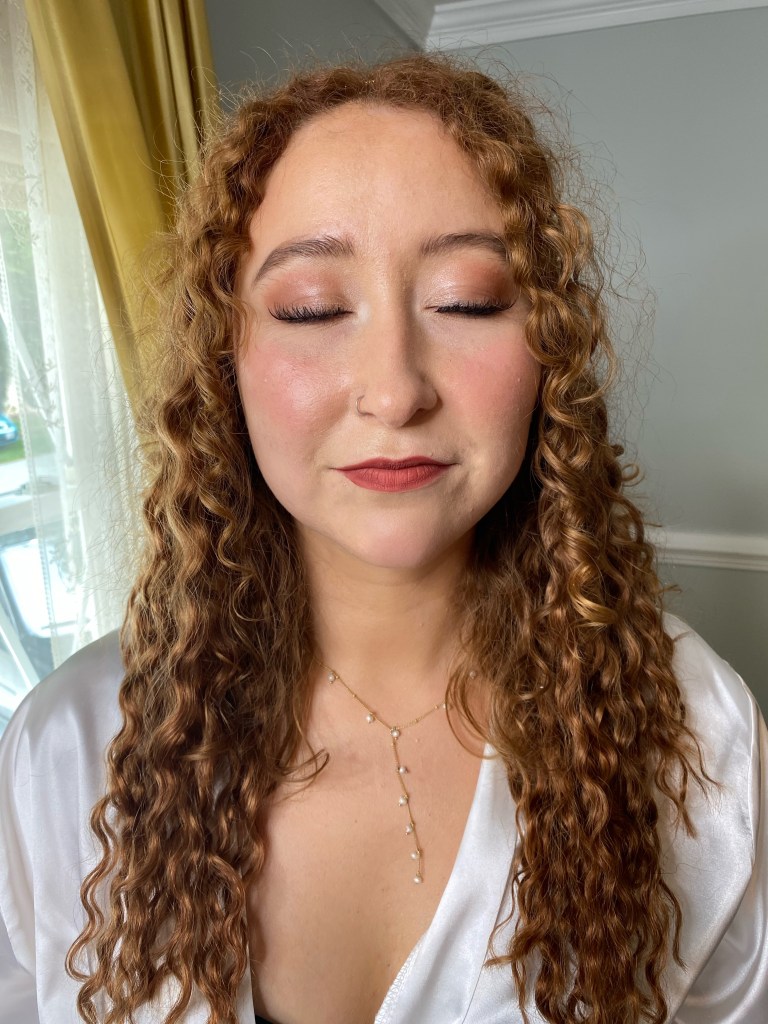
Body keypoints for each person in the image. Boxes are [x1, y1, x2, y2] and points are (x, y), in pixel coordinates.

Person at [0, 52, 766, 1024]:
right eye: (312, 309)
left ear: (548, 348)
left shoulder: (699, 737)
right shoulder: (66, 750)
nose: (396, 391)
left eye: (466, 300)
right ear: (225, 361)